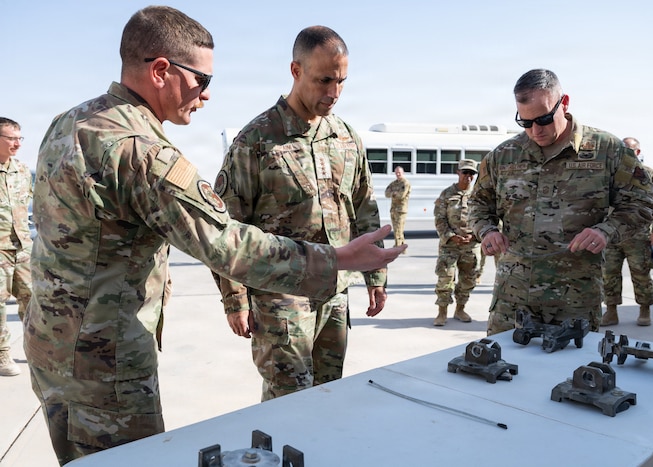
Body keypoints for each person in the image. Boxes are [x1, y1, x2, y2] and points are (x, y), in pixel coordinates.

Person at [24, 8, 404, 465]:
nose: (206, 96)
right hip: (105, 361)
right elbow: (228, 243)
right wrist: (337, 259)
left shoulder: (73, 121)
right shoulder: (141, 150)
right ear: (162, 70)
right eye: (201, 80)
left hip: (55, 342)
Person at [213, 25, 390, 402]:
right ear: (296, 71)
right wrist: (235, 298)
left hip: (335, 291)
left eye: (342, 81)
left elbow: (364, 207)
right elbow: (225, 225)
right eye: (324, 80)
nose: (334, 93)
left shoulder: (346, 138)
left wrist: (375, 275)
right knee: (288, 399)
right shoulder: (257, 140)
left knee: (328, 393)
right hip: (280, 294)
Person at [468, 69, 653, 336]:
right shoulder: (503, 156)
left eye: (544, 119)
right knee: (504, 370)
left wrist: (606, 230)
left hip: (575, 299)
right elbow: (477, 205)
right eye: (526, 122)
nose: (535, 130)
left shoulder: (607, 150)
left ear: (564, 103)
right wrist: (486, 231)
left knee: (573, 374)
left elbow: (642, 203)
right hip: (513, 297)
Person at [601, 137, 653, 326]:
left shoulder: (648, 174)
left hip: (639, 234)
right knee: (609, 274)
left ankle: (644, 310)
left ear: (637, 152)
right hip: (612, 234)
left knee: (641, 274)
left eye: (629, 149)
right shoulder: (609, 173)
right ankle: (611, 311)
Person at [0, 117, 33, 377]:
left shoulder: (22, 171)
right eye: (12, 138)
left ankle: (37, 351)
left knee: (33, 301)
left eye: (20, 138)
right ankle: (2, 355)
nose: (18, 144)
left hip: (23, 248)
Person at [432, 159, 480, 326]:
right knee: (445, 277)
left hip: (471, 245)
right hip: (449, 245)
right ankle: (442, 312)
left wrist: (475, 236)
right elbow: (439, 219)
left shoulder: (479, 195)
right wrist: (450, 236)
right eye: (465, 172)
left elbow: (486, 218)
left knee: (468, 279)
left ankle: (460, 309)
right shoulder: (447, 194)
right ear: (458, 172)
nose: (468, 176)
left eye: (472, 173)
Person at [385, 165, 411, 247]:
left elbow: (401, 195)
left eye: (399, 173)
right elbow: (386, 193)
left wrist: (393, 193)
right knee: (396, 228)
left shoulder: (405, 183)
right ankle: (402, 247)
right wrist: (394, 193)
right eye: (396, 173)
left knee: (399, 229)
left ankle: (398, 246)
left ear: (402, 173)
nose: (398, 174)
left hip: (401, 210)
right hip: (393, 209)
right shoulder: (394, 183)